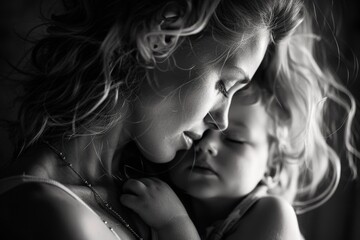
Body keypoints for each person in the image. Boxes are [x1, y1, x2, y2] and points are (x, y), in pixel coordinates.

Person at [0, 0, 305, 240]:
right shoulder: (49, 213)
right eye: (224, 85)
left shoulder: (158, 193)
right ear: (165, 35)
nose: (222, 120)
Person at [119, 9, 360, 240]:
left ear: (272, 166)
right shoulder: (170, 199)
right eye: (198, 135)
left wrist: (174, 224)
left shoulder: (273, 214)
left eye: (234, 140)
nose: (206, 146)